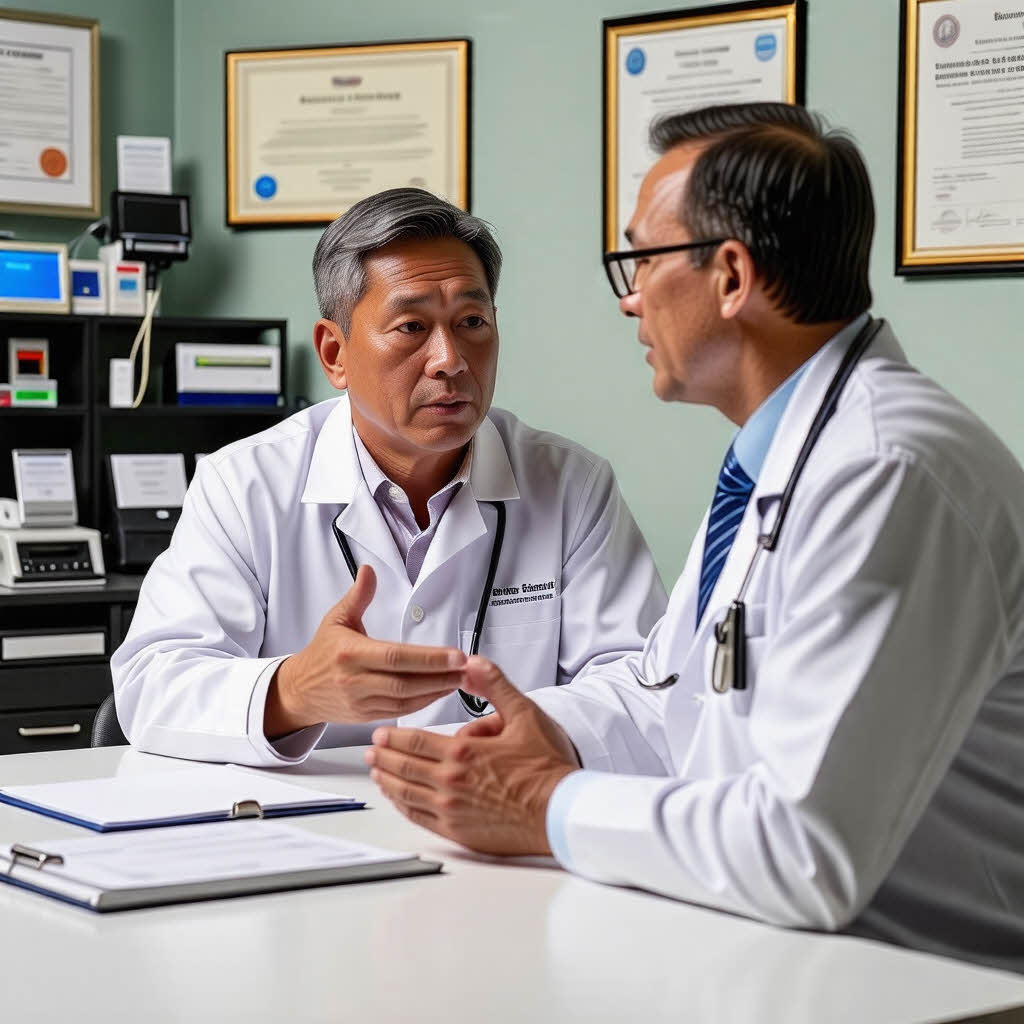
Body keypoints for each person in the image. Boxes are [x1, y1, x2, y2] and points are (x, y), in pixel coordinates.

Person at [366, 105, 1024, 972]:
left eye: (641, 260)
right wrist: (519, 738)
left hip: (930, 983)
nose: (630, 298)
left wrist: (546, 803)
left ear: (731, 276)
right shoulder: (782, 457)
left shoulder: (886, 472)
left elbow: (803, 851)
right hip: (777, 950)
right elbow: (670, 697)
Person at [111, 188, 666, 766]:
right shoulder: (244, 485)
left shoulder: (572, 485)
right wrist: (295, 690)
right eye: (411, 326)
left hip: (498, 803)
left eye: (471, 321)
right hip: (309, 815)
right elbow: (153, 684)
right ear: (335, 354)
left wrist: (502, 746)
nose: (450, 359)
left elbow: (641, 685)